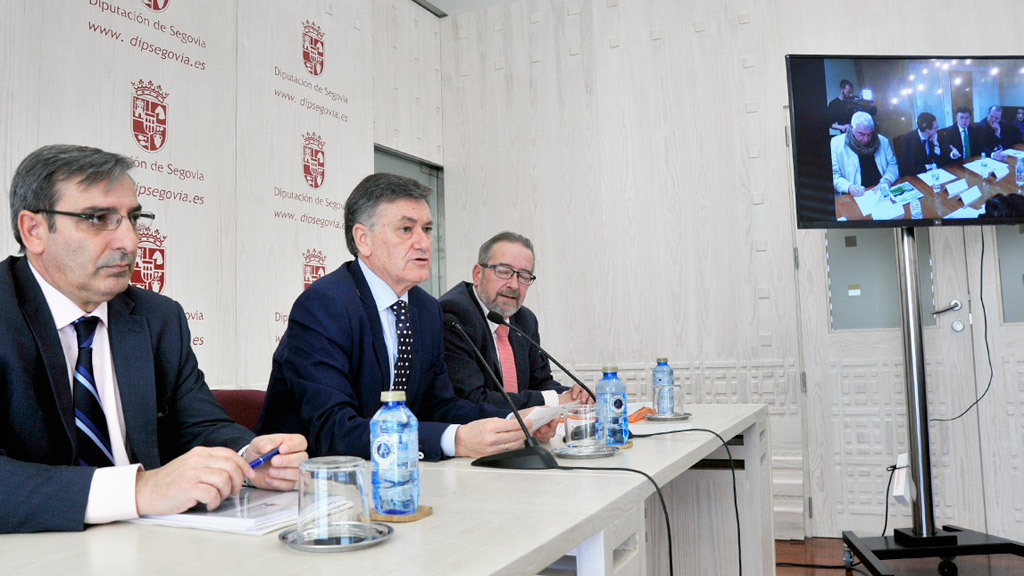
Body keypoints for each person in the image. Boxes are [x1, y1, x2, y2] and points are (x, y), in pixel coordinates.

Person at [0, 145, 308, 534]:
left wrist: (248, 458)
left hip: (152, 545)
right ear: (34, 230)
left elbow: (198, 424)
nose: (129, 242)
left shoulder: (157, 317)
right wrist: (139, 489)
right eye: (98, 219)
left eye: (132, 218)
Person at [256, 174, 558, 461]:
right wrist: (454, 440)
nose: (423, 242)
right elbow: (333, 429)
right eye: (406, 229)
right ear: (363, 239)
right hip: (306, 480)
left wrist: (513, 422)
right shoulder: (325, 305)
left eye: (426, 229)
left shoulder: (425, 309)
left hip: (394, 470)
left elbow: (440, 406)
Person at [439, 232, 593, 410]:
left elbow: (540, 383)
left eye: (524, 276)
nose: (514, 285)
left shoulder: (525, 320)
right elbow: (472, 398)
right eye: (504, 272)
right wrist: (555, 400)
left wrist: (574, 395)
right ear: (477, 274)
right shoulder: (454, 315)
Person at [831, 111, 898, 197]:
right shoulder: (836, 144)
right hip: (856, 195)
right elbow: (834, 175)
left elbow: (892, 164)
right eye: (861, 134)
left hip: (882, 191)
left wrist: (888, 180)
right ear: (852, 128)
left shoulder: (883, 141)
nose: (866, 139)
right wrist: (849, 187)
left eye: (869, 134)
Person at [899, 112, 943, 177]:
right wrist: (928, 166)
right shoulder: (909, 139)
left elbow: (941, 161)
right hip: (915, 177)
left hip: (932, 174)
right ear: (927, 131)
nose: (937, 128)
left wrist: (936, 144)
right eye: (935, 127)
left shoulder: (934, 136)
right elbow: (910, 168)